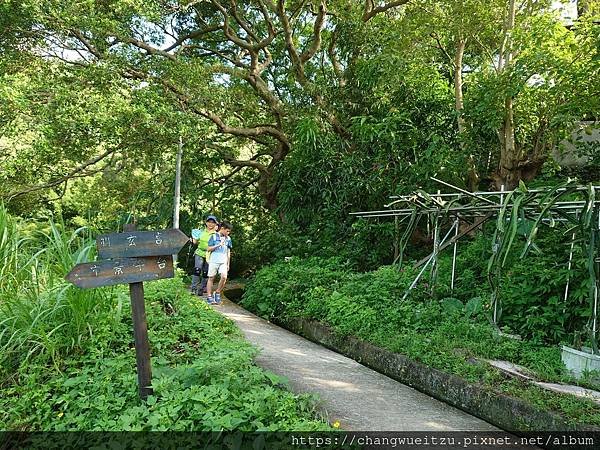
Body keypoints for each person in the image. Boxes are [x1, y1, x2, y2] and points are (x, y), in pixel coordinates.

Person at [190, 214, 218, 296]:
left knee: (206, 272)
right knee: (197, 270)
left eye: (213, 222)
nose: (210, 224)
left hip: (210, 255)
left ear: (215, 224)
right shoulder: (201, 232)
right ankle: (193, 289)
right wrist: (192, 240)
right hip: (199, 252)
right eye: (209, 222)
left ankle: (201, 289)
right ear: (206, 223)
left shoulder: (216, 235)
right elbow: (195, 242)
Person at [206, 221, 232, 305]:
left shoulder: (228, 239)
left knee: (224, 276)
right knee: (211, 278)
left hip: (223, 261)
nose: (228, 233)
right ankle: (209, 296)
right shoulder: (213, 236)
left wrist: (228, 264)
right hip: (214, 260)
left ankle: (217, 292)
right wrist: (218, 245)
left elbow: (228, 252)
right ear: (222, 229)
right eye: (227, 231)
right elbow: (208, 249)